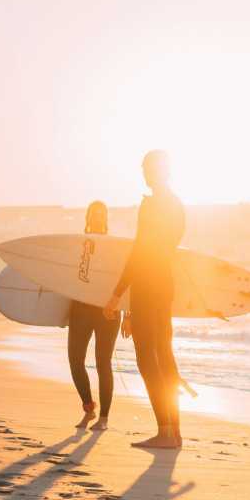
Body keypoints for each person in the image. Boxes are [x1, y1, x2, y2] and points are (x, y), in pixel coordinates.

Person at [103, 152, 184, 449]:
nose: (145, 174)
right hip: (165, 283)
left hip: (147, 285)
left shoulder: (151, 206)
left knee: (147, 357)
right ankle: (174, 431)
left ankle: (165, 431)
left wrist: (117, 296)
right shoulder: (177, 204)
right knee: (165, 354)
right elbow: (169, 247)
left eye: (148, 169)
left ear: (157, 171)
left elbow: (139, 252)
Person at [68, 201, 121, 430]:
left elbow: (125, 280)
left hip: (107, 310)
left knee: (103, 363)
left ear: (106, 218)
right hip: (80, 308)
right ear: (88, 217)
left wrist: (129, 314)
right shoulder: (77, 245)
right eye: (94, 214)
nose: (98, 218)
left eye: (102, 214)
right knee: (75, 360)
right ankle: (89, 408)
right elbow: (66, 278)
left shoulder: (115, 247)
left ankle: (104, 418)